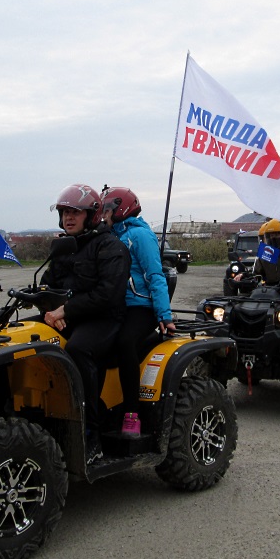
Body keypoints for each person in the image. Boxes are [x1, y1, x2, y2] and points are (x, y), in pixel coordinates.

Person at [41, 183, 131, 464]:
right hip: (70, 316)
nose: (69, 217)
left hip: (104, 319)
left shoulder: (110, 247)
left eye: (75, 212)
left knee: (78, 349)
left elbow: (108, 294)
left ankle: (90, 433)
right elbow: (48, 284)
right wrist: (44, 306)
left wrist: (66, 311)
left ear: (91, 215)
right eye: (65, 212)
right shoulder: (64, 246)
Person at [100, 186, 175, 439]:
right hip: (118, 306)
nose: (104, 214)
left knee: (124, 342)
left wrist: (164, 315)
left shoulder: (140, 236)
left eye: (108, 209)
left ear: (121, 209)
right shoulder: (111, 234)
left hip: (141, 306)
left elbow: (156, 275)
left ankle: (132, 414)